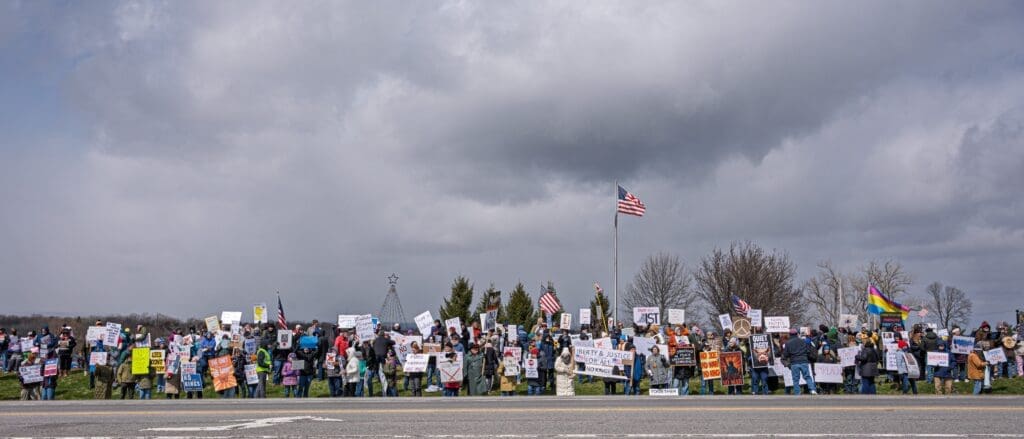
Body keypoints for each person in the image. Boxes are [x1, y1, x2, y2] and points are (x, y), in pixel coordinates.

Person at [781, 328, 817, 395]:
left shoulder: (788, 343)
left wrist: (788, 364)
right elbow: (808, 351)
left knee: (795, 379)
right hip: (804, 361)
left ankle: (797, 393)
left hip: (794, 362)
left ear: (790, 335)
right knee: (807, 377)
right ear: (797, 334)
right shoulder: (803, 341)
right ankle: (812, 390)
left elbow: (785, 354)